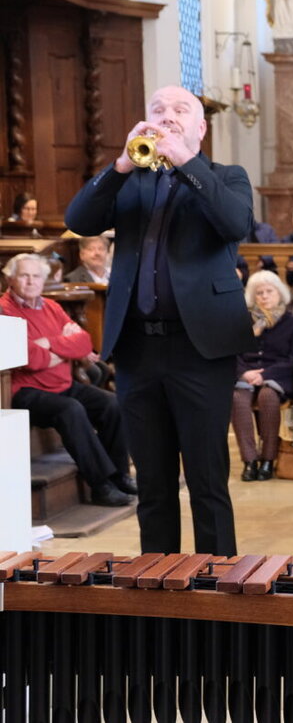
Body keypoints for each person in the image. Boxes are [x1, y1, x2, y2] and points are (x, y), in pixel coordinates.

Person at [65, 85, 256, 556]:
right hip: (137, 349)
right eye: (157, 109)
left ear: (200, 127)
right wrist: (121, 166)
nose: (167, 117)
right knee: (152, 483)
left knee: (207, 481)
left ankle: (215, 588)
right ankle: (158, 586)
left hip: (201, 349)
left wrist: (185, 162)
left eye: (179, 110)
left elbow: (234, 224)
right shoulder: (131, 178)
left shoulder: (226, 175)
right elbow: (79, 217)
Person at [0, 254, 134, 506]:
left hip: (62, 384)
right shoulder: (4, 311)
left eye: (36, 276)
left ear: (44, 280)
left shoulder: (52, 306)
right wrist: (63, 350)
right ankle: (101, 486)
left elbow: (84, 342)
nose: (31, 281)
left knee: (113, 404)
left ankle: (120, 475)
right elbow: (30, 359)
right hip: (25, 390)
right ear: (10, 278)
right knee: (70, 410)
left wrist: (49, 344)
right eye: (24, 275)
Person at [232, 271, 293, 482]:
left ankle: (268, 459)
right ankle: (249, 461)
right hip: (245, 376)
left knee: (268, 397)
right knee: (237, 399)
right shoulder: (242, 323)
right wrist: (244, 373)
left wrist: (265, 375)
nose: (264, 296)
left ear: (279, 293)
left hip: (277, 377)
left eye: (269, 291)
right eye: (259, 293)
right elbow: (233, 353)